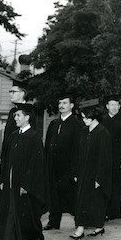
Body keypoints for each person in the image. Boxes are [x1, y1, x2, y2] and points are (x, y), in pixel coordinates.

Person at [0, 103, 48, 240]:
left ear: (27, 117)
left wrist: (26, 184)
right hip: (10, 182)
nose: (15, 118)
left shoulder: (34, 137)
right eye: (15, 115)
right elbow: (6, 161)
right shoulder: (13, 135)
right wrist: (3, 180)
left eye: (18, 115)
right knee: (8, 211)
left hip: (24, 184)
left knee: (28, 212)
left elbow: (35, 165)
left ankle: (37, 235)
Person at [71, 100, 112, 239]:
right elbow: (77, 153)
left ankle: (98, 226)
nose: (84, 121)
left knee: (96, 202)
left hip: (95, 174)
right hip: (83, 172)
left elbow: (105, 158)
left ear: (94, 117)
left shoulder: (102, 133)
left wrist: (99, 178)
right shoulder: (83, 131)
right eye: (83, 118)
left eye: (86, 118)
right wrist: (76, 172)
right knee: (81, 201)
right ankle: (80, 228)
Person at [43, 94, 83, 231]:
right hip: (53, 167)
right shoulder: (54, 124)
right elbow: (47, 145)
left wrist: (75, 170)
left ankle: (79, 223)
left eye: (65, 103)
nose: (61, 105)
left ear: (71, 105)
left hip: (68, 168)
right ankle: (53, 222)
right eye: (60, 103)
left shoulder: (77, 124)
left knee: (71, 195)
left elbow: (78, 149)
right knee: (54, 195)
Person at [100, 94, 121, 220]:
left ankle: (115, 211)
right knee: (105, 184)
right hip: (105, 158)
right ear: (107, 106)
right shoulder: (102, 120)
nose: (114, 107)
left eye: (116, 105)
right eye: (111, 105)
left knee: (117, 186)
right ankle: (106, 211)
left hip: (119, 159)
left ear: (119, 106)